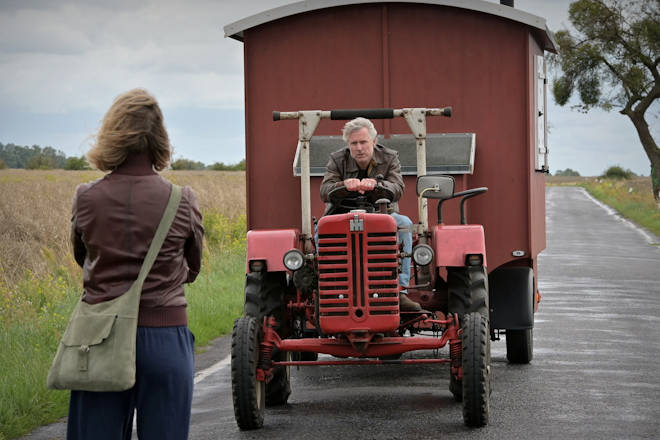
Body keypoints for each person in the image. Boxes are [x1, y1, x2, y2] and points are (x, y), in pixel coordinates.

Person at [67, 89, 204, 440]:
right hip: (165, 336)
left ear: (111, 134)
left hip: (100, 340)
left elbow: (83, 258)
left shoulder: (87, 197)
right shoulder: (182, 200)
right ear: (160, 138)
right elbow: (193, 268)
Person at [320, 117, 421, 312]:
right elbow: (325, 190)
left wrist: (377, 184)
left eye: (363, 142)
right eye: (354, 143)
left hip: (381, 215)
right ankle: (328, 287)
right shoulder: (337, 159)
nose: (359, 148)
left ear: (374, 141)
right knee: (320, 230)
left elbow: (397, 187)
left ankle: (400, 290)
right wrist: (343, 185)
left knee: (404, 224)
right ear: (348, 145)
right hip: (342, 214)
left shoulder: (390, 158)